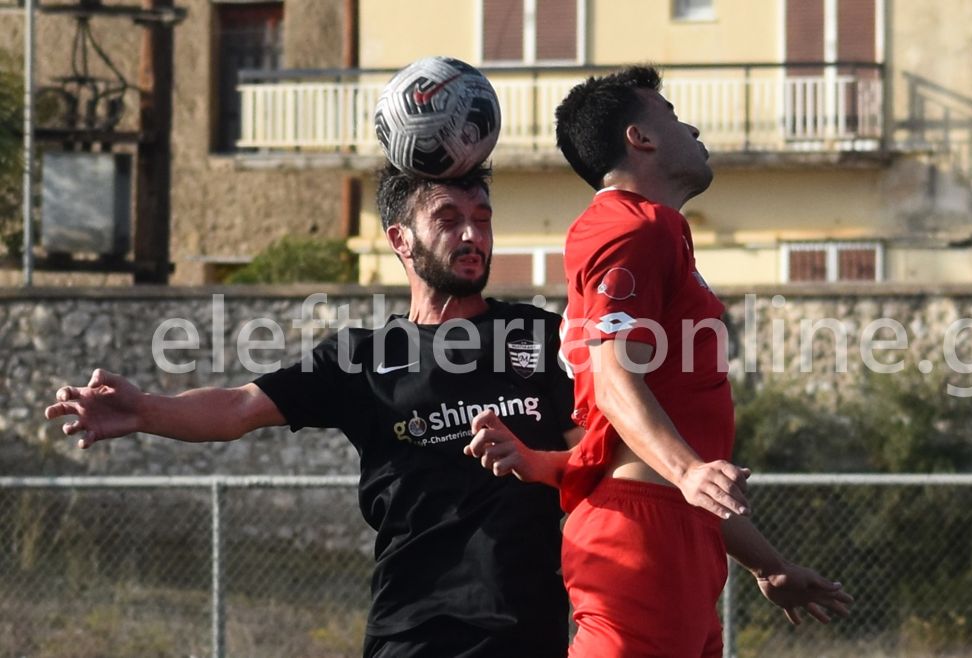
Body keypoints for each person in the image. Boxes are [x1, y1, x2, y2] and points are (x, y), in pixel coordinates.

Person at [44, 164, 582, 658]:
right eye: (448, 219)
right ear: (400, 239)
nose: (471, 236)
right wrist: (145, 411)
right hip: (412, 633)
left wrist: (536, 462)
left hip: (526, 633)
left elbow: (595, 460)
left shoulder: (538, 335)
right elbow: (238, 407)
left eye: (482, 220)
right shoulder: (361, 358)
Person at [469, 66, 853, 657]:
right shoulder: (633, 228)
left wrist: (768, 564)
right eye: (671, 114)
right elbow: (614, 379)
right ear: (640, 138)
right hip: (642, 537)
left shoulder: (652, 233)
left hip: (676, 534)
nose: (691, 128)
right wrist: (690, 471)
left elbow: (638, 451)